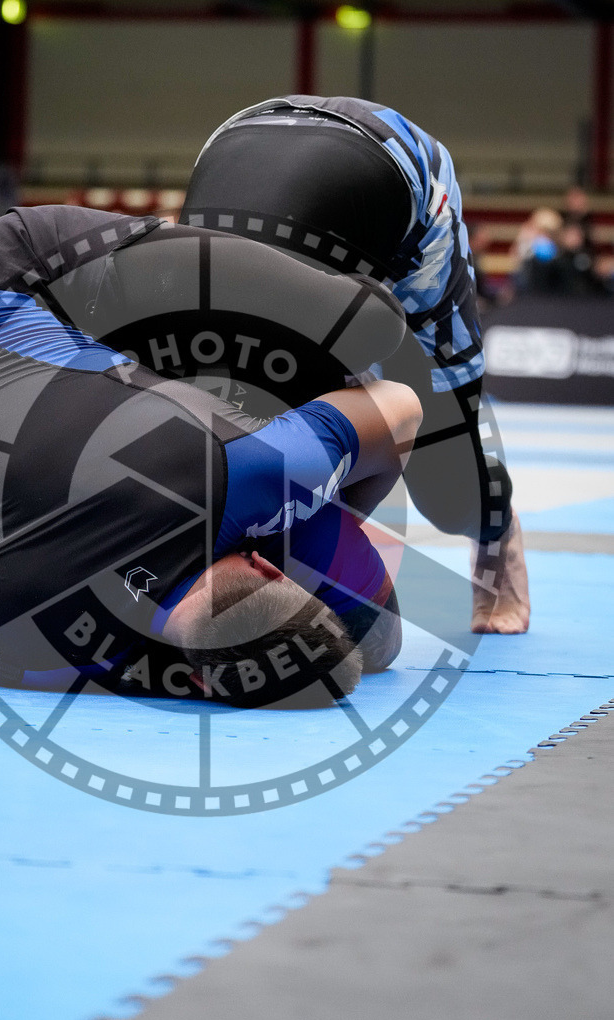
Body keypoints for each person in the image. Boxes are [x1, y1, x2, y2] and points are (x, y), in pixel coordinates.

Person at [0, 204, 422, 708]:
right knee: (369, 324)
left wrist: (317, 498)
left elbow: (402, 408)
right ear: (200, 680)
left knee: (373, 327)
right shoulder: (41, 656)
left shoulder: (241, 474)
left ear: (267, 565)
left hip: (5, 277)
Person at [181, 95, 531, 634]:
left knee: (447, 488)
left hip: (398, 174)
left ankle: (496, 531)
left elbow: (399, 415)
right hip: (245, 137)